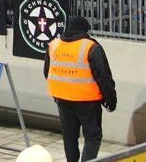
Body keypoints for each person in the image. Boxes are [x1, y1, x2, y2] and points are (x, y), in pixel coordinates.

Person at [44, 15, 116, 162]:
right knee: (92, 137)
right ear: (85, 30)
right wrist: (110, 100)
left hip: (62, 98)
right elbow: (103, 77)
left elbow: (47, 72)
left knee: (69, 136)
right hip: (87, 100)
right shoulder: (90, 47)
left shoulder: (54, 45)